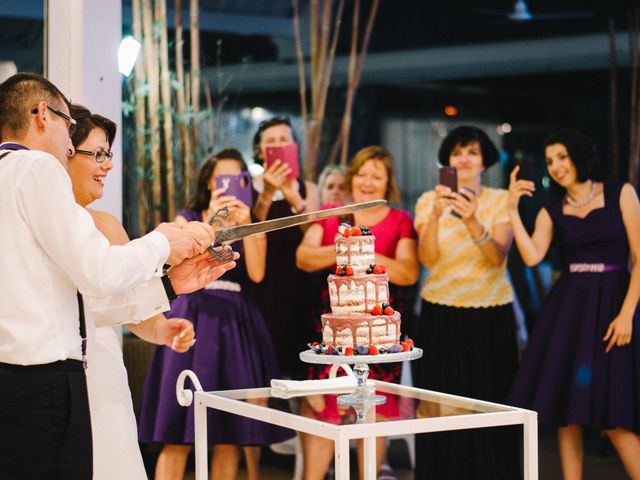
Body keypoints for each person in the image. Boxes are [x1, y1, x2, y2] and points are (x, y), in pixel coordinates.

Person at [0, 72, 236, 479]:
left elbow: (73, 298)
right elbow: (98, 273)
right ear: (42, 114)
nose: (69, 144)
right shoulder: (36, 167)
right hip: (44, 381)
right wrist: (163, 242)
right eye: (68, 128)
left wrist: (170, 283)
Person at [138, 148, 294, 480]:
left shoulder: (251, 218)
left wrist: (247, 223)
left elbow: (256, 272)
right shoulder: (188, 216)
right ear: (210, 180)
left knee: (230, 437)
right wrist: (212, 222)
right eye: (222, 177)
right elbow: (168, 264)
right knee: (176, 434)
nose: (229, 185)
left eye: (238, 179)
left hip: (236, 325)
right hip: (191, 315)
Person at [67, 104, 197, 479]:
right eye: (98, 154)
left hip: (104, 372)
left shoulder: (106, 225)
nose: (107, 165)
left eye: (109, 155)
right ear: (65, 153)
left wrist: (160, 329)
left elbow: (127, 307)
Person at [507, 130, 640, 479]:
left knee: (615, 416)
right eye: (550, 161)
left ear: (579, 154)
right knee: (568, 411)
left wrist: (627, 314)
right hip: (570, 311)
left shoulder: (620, 193)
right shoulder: (553, 209)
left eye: (562, 157)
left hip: (614, 305)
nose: (556, 167)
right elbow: (533, 256)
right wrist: (512, 209)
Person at [296, 145, 419, 479]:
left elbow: (408, 272)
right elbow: (304, 257)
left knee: (374, 411)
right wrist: (347, 246)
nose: (368, 181)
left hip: (380, 335)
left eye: (376, 176)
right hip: (335, 329)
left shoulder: (400, 220)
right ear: (352, 177)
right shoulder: (334, 212)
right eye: (362, 173)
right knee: (324, 408)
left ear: (388, 183)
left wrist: (365, 249)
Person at [413, 125, 520, 479]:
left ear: (484, 160)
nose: (464, 159)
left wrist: (473, 219)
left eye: (472, 152)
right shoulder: (429, 200)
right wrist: (435, 217)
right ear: (448, 161)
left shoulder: (500, 199)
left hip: (490, 315)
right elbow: (426, 260)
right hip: (440, 313)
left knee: (491, 404)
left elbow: (497, 258)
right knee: (441, 407)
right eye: (457, 153)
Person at [251, 116, 319, 379]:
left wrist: (295, 198)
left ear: (294, 146)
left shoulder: (308, 188)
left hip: (300, 285)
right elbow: (251, 231)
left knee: (301, 367)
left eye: (284, 140)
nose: (277, 145)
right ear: (260, 151)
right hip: (261, 285)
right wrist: (267, 193)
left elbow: (314, 233)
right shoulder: (250, 186)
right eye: (271, 141)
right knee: (263, 369)